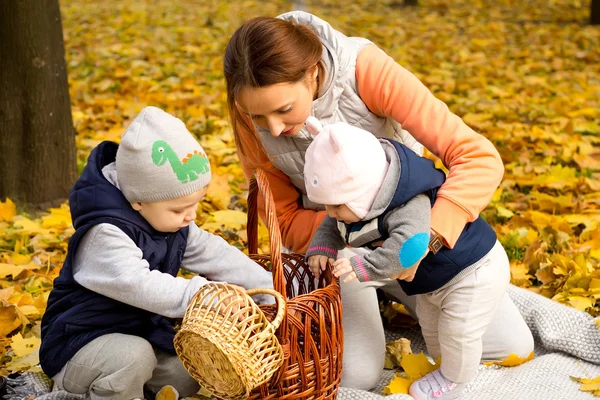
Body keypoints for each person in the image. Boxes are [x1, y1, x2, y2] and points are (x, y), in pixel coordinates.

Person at [223, 11, 534, 391]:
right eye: (258, 116)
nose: (272, 127)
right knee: (357, 375)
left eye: (284, 109)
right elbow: (285, 218)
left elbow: (477, 157)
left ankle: (415, 294)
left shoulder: (364, 70)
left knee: (511, 346)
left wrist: (426, 236)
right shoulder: (250, 115)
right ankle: (386, 300)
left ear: (312, 72)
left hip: (413, 235)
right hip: (342, 252)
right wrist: (351, 237)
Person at [40, 106, 274, 400]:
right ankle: (93, 389)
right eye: (179, 209)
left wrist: (268, 286)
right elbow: (139, 284)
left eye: (196, 205)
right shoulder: (104, 233)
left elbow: (214, 254)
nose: (191, 216)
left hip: (139, 333)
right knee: (134, 357)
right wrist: (205, 296)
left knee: (188, 373)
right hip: (79, 343)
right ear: (138, 202)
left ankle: (134, 389)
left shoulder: (168, 220)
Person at [303, 117, 512, 399]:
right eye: (326, 204)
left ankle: (454, 381)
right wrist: (323, 246)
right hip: (434, 281)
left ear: (365, 192)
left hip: (474, 272)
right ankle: (443, 366)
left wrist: (364, 266)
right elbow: (335, 225)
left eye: (337, 205)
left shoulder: (408, 204)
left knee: (458, 331)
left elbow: (410, 249)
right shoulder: (359, 201)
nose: (330, 212)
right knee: (432, 326)